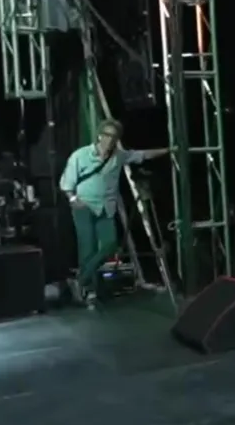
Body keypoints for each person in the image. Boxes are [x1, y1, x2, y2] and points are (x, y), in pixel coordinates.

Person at [59, 119, 168, 307]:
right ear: (99, 136)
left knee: (110, 245)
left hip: (106, 207)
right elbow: (67, 182)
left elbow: (141, 155)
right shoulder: (80, 155)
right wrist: (73, 199)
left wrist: (167, 150)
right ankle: (88, 291)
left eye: (114, 136)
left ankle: (80, 281)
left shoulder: (119, 156)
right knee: (87, 249)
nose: (110, 140)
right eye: (107, 135)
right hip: (84, 206)